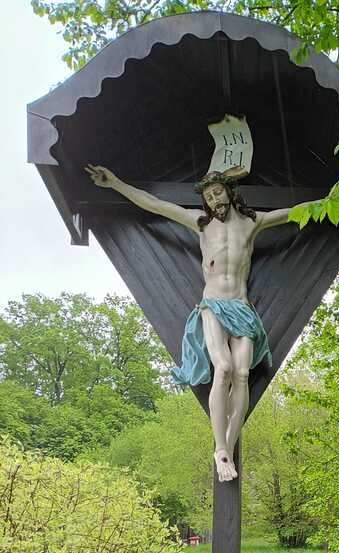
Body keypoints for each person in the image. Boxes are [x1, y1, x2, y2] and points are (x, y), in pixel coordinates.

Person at [85, 165, 314, 482]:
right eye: (209, 197)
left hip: (242, 306)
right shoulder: (201, 224)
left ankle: (228, 446)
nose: (214, 200)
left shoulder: (252, 223)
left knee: (242, 373)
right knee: (224, 367)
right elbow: (155, 205)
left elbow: (294, 212)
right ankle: (220, 448)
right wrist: (116, 183)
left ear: (229, 192)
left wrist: (338, 197)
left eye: (218, 192)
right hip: (213, 305)